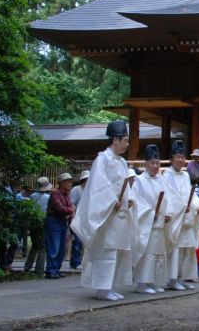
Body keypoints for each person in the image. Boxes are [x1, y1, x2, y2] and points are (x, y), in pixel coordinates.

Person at [72, 120, 141, 301]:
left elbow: (127, 186)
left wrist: (130, 199)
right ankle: (102, 289)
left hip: (120, 215)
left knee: (118, 250)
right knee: (107, 251)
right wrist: (112, 202)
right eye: (125, 140)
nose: (127, 144)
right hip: (107, 214)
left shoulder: (122, 162)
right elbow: (98, 186)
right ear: (115, 139)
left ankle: (110, 286)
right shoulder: (102, 159)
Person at [133, 144, 173, 294]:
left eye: (157, 163)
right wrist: (150, 213)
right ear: (145, 163)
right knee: (147, 254)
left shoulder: (162, 179)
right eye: (152, 163)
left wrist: (167, 212)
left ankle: (152, 281)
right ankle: (142, 283)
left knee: (157, 254)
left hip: (160, 222)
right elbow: (137, 201)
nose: (155, 166)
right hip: (147, 222)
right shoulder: (139, 180)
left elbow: (167, 197)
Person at [164, 139, 199, 290]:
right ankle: (172, 279)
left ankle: (182, 277)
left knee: (186, 248)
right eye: (177, 157)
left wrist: (197, 205)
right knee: (175, 249)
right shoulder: (167, 175)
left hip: (187, 216)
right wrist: (182, 207)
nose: (180, 160)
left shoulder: (186, 175)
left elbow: (190, 193)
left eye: (182, 157)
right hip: (175, 216)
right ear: (171, 159)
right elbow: (170, 196)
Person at [45, 173, 75, 279]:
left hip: (62, 221)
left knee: (62, 248)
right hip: (54, 220)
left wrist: (70, 210)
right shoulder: (55, 193)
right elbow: (60, 208)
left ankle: (56, 269)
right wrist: (71, 210)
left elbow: (68, 207)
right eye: (68, 181)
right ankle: (51, 270)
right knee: (54, 247)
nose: (70, 183)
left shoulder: (67, 194)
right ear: (62, 183)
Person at [24, 176, 51, 275]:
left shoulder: (32, 196)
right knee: (43, 247)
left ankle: (27, 266)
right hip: (43, 221)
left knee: (35, 245)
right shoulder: (48, 197)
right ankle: (39, 270)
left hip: (33, 222)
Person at [69, 170, 89, 269]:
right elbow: (72, 203)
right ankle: (75, 262)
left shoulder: (91, 190)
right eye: (85, 180)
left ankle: (82, 261)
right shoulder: (76, 189)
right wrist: (73, 216)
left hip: (88, 218)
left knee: (85, 241)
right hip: (78, 217)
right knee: (77, 241)